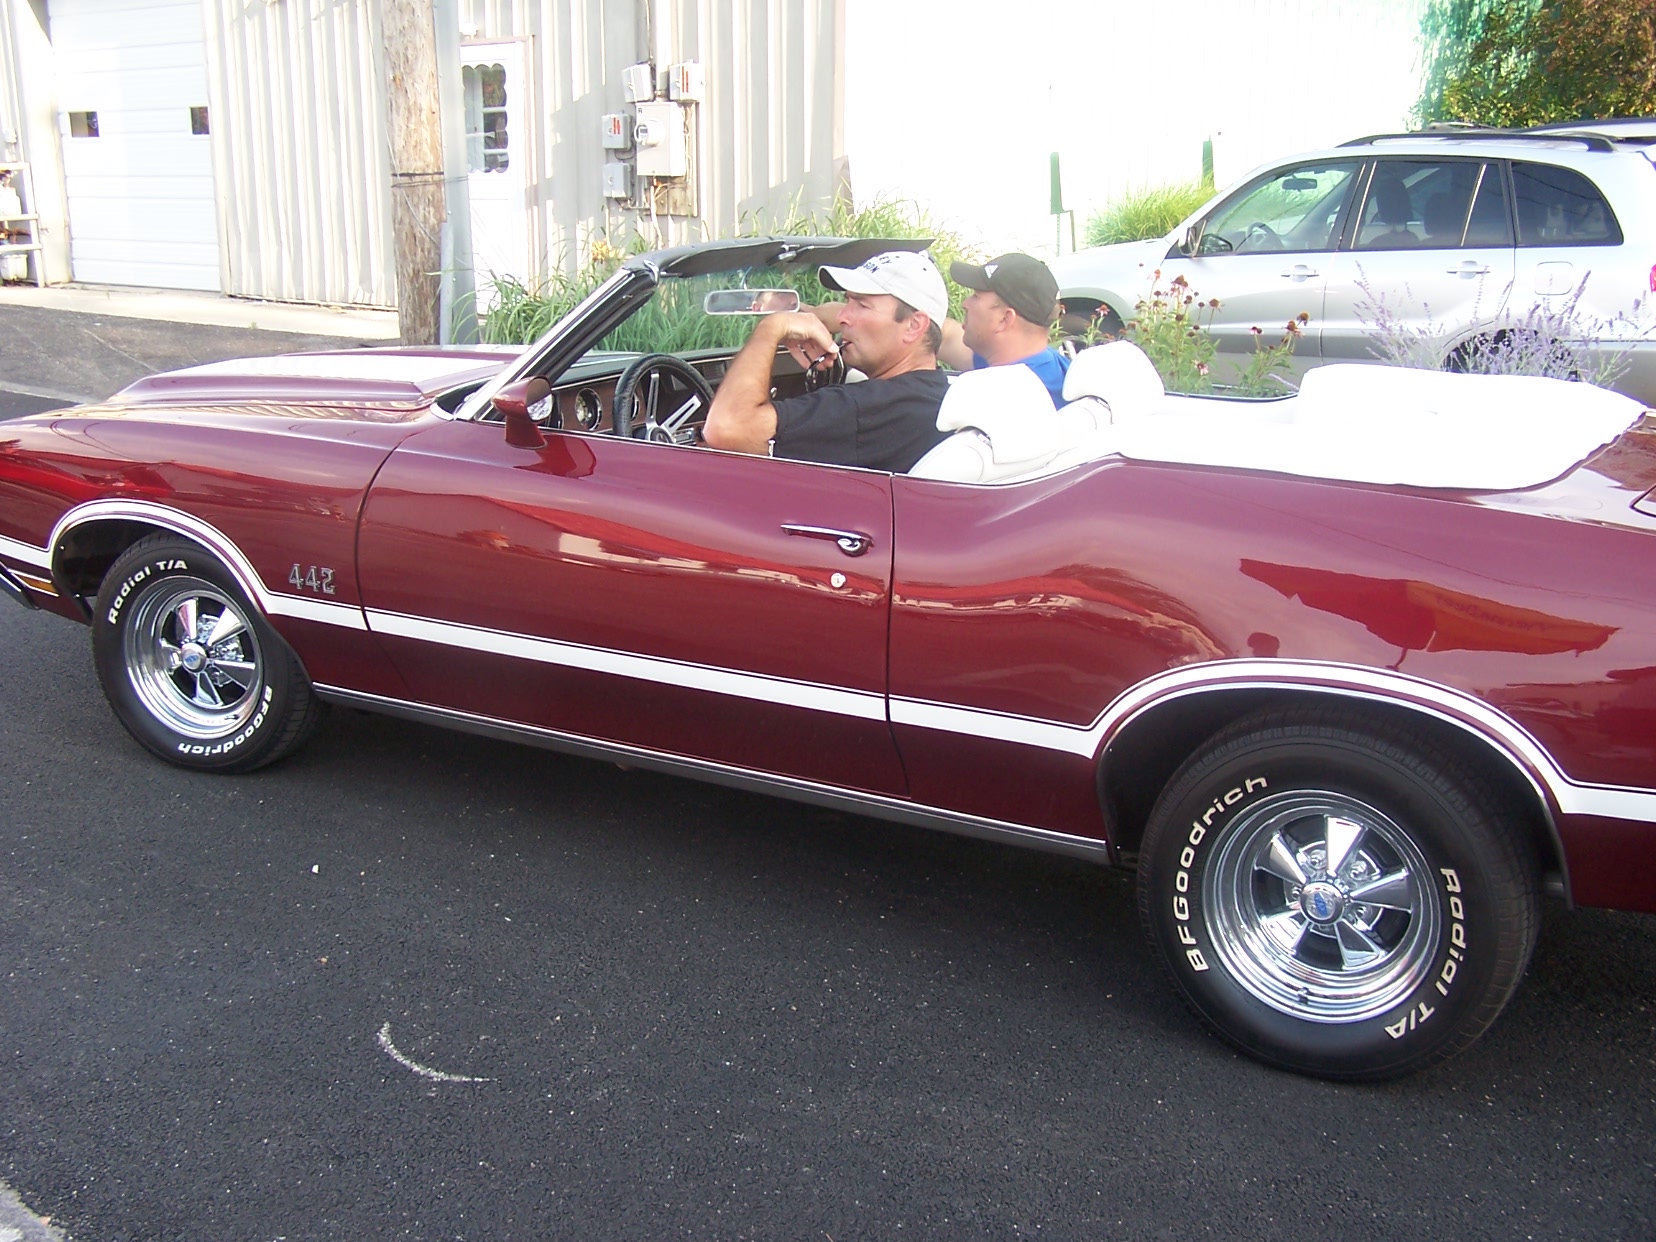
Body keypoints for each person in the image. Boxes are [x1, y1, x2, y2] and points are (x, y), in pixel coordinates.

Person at [703, 250, 952, 472]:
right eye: (848, 301)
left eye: (862, 305)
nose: (842, 316)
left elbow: (726, 427)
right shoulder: (935, 393)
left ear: (913, 326)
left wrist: (771, 329)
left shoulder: (867, 408)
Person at [939, 253, 1069, 405]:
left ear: (1004, 319)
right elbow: (947, 337)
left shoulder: (1006, 397)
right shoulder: (1044, 363)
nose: (965, 304)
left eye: (976, 296)